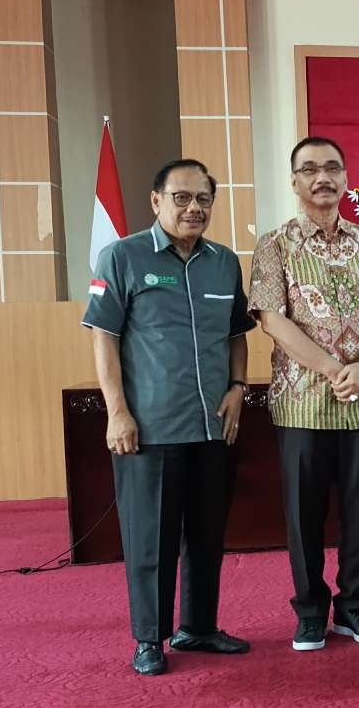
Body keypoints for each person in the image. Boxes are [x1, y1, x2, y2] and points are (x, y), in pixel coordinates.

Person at [82, 158, 254, 676]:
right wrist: (117, 413)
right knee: (150, 538)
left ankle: (198, 627)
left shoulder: (224, 262)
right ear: (156, 200)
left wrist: (239, 389)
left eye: (203, 198)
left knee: (206, 534)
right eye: (181, 197)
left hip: (212, 424)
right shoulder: (122, 256)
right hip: (150, 427)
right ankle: (148, 639)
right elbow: (103, 337)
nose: (193, 208)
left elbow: (236, 333)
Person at [248, 136, 359, 652]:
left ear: (346, 178)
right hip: (303, 401)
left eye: (333, 168)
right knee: (304, 512)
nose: (323, 177)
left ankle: (355, 608)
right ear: (294, 181)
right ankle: (311, 611)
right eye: (310, 169)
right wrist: (336, 368)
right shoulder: (274, 244)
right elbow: (272, 320)